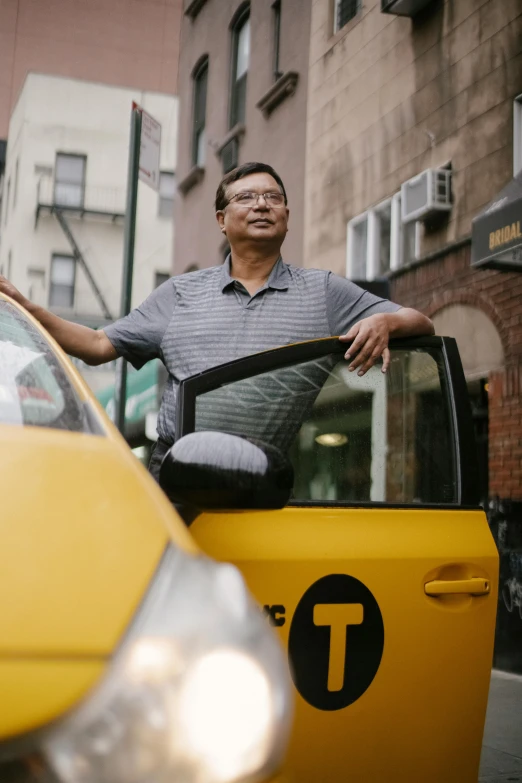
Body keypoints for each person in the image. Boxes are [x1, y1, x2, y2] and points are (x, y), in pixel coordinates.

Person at [0, 161, 434, 479]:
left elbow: (421, 322)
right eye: (246, 197)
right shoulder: (180, 293)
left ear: (286, 218)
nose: (262, 204)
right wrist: (24, 305)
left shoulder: (324, 292)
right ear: (221, 220)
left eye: (273, 198)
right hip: (174, 483)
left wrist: (387, 323)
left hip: (266, 482)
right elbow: (97, 345)